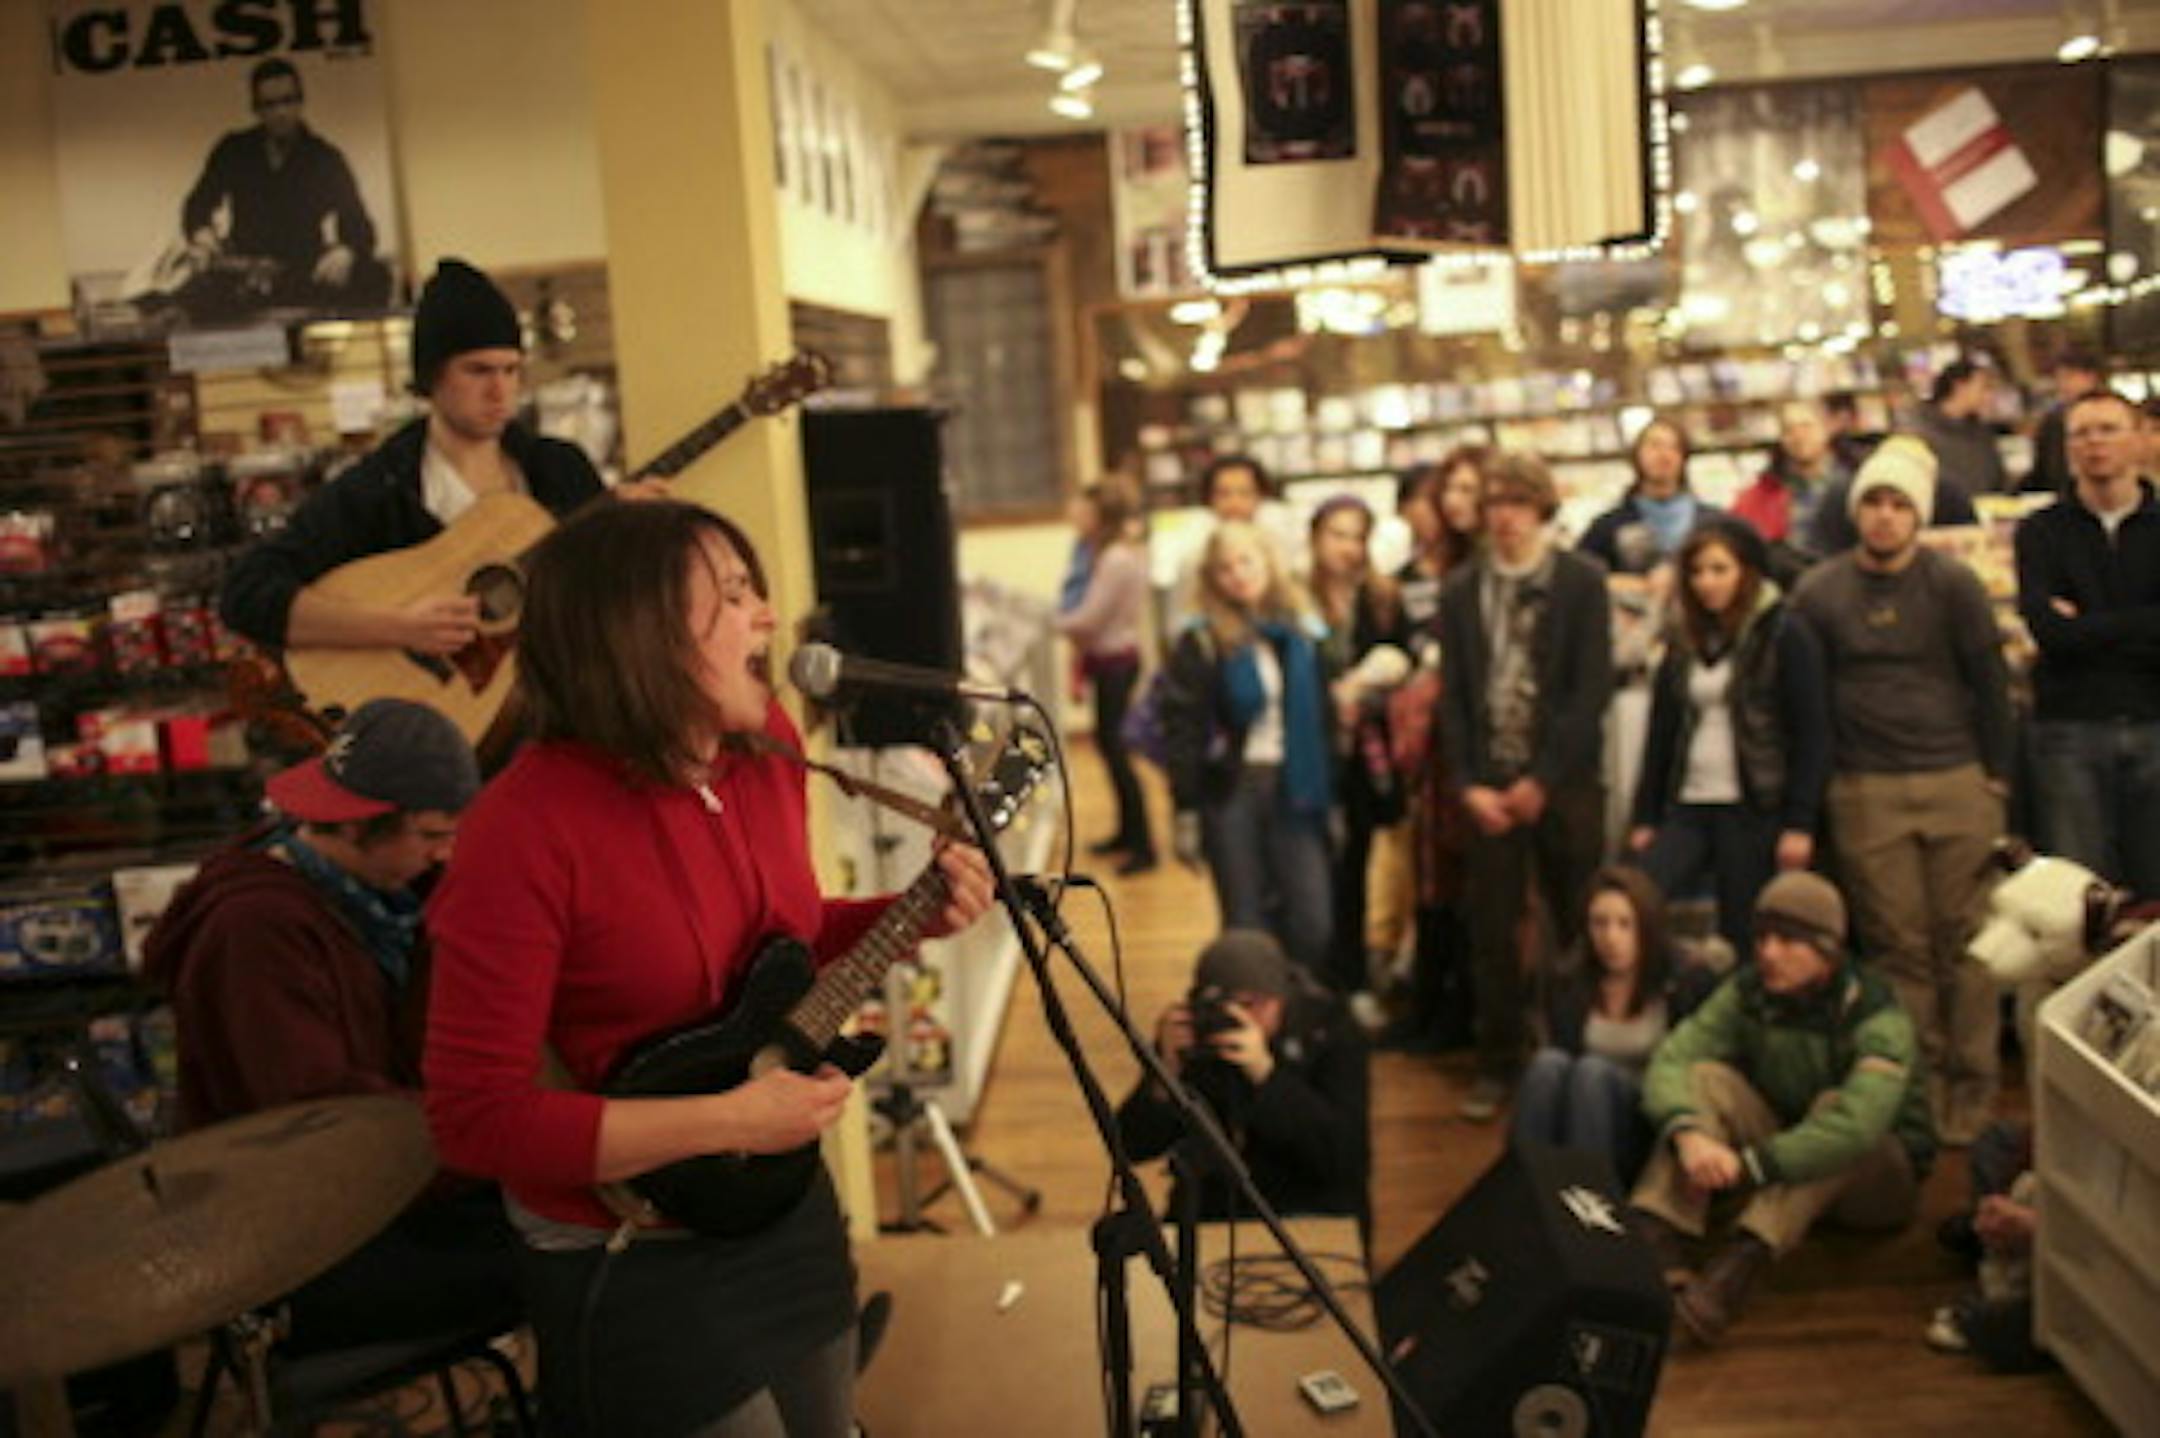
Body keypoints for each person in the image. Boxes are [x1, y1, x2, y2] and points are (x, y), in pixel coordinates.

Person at [421, 499, 995, 1437]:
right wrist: (731, 1117)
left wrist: (908, 916)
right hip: (626, 1239)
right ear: (634, 632)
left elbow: (780, 951)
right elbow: (473, 1120)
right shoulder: (521, 831)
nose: (768, 615)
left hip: (772, 1195)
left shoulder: (764, 749)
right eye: (732, 595)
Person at [141, 698, 520, 1356]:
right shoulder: (256, 932)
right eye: (431, 836)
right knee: (561, 1257)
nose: (446, 855)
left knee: (563, 1218)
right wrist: (489, 1130)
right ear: (357, 825)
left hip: (377, 1192)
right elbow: (319, 1122)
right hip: (294, 1248)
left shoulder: (381, 900)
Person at [220, 258, 661, 656]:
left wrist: (625, 537)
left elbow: (602, 602)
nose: (499, 392)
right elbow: (247, 594)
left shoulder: (557, 469)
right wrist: (396, 628)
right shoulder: (379, 490)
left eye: (511, 371)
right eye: (478, 371)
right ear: (432, 376)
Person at [1792, 436, 2014, 1146]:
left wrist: (1997, 774)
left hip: (1956, 779)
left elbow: (1989, 682)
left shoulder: (1953, 583)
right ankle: (1915, 1091)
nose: (1885, 517)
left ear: (1918, 515)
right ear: (1856, 512)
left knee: (1969, 947)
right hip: (1866, 788)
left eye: (1898, 505)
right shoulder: (1819, 591)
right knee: (1898, 950)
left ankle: (1973, 1095)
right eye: (1873, 504)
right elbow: (1804, 698)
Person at [1628, 872, 1936, 1348]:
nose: (1769, 952)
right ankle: (1660, 1238)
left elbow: (1857, 1127)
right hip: (1789, 1160)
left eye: (1789, 940)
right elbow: (1674, 1058)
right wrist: (1690, 1136)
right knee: (1706, 1078)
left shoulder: (1874, 1011)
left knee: (1836, 1112)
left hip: (1875, 1181)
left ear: (1828, 949)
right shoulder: (1750, 991)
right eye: (1763, 937)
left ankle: (1741, 1263)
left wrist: (1752, 1165)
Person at [1439, 452, 1614, 1120]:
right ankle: (1498, 1061)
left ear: (1542, 506)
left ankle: (1578, 1054)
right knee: (1491, 931)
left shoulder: (1581, 580)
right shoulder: (1462, 589)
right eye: (1494, 502)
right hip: (1489, 783)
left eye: (1517, 501)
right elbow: (1454, 697)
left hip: (1565, 785)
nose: (1505, 516)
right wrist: (1467, 784)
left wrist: (1543, 777)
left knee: (1578, 923)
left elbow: (1588, 689)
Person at [1627, 520, 1830, 965]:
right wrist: (1645, 815)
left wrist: (1800, 821)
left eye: (1719, 569)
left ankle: (1744, 1025)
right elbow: (1661, 735)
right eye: (1697, 572)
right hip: (1689, 801)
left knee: (1745, 931)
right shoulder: (1686, 639)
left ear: (1746, 571)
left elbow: (1812, 733)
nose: (1707, 583)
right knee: (1638, 896)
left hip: (1754, 804)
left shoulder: (1784, 632)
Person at [1160, 521, 1336, 978]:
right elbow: (1183, 730)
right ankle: (1257, 1024)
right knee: (1245, 922)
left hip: (1297, 785)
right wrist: (1185, 809)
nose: (1237, 575)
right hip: (1231, 789)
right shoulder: (1201, 640)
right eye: (1224, 568)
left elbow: (1325, 715)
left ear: (1268, 562)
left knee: (1312, 920)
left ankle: (1298, 1010)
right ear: (1211, 579)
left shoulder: (1301, 632)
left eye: (1245, 561)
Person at [2013, 389, 2160, 898]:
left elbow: (2072, 634)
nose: (2095, 443)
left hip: (2153, 721)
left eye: (2108, 429)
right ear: (2067, 447)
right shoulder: (2040, 531)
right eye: (2082, 432)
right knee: (2078, 899)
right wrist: (2138, 622)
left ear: (2140, 439)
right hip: (2069, 731)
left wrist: (2089, 624)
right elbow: (2049, 633)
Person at [1115, 929, 1370, 1222]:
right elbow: (1131, 1147)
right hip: (1216, 1211)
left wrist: (1266, 1075)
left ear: (1281, 999)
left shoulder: (1331, 1035)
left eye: (1251, 1004)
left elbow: (1344, 1160)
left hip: (1307, 1210)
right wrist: (1163, 1075)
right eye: (1226, 1004)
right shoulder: (1202, 1037)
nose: (1240, 1018)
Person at [1512, 867, 1710, 1186]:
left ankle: (1591, 1200)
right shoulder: (1570, 981)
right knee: (1547, 1065)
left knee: (1592, 1073)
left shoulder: (1684, 980)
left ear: (1647, 927)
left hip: (1645, 1123)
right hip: (1579, 1116)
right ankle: (1521, 1189)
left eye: (1624, 924)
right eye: (1599, 923)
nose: (1611, 938)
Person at [176, 58, 390, 316]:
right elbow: (197, 205)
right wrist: (203, 237)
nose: (281, 112)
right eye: (270, 104)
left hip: (302, 269)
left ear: (301, 103)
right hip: (246, 268)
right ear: (256, 109)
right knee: (192, 287)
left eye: (288, 101)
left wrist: (346, 252)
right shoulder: (234, 149)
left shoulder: (324, 157)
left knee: (375, 276)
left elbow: (358, 224)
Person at [1306, 494, 1403, 1002]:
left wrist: (1366, 683)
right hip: (1310, 753)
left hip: (1364, 757)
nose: (1346, 547)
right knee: (1309, 872)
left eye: (1356, 536)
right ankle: (1315, 978)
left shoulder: (1382, 596)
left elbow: (1403, 654)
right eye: (1336, 534)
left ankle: (1353, 977)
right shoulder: (1298, 597)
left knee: (1354, 869)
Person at [1057, 479, 1156, 874]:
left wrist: (1047, 619)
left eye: (1083, 509)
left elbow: (1088, 619)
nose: (1075, 515)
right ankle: (1127, 834)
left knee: (1117, 751)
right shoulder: (1101, 553)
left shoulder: (1115, 558)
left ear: (1100, 515)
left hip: (1116, 663)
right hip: (1109, 661)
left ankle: (1143, 845)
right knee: (1110, 747)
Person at [1577, 416, 1731, 578]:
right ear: (1637, 455)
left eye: (1673, 447)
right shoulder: (1608, 527)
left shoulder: (1714, 523)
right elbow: (1581, 580)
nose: (1664, 455)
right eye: (1655, 446)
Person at [1730, 400, 1852, 584]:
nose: (1798, 436)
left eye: (1806, 426)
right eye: (1789, 430)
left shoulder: (1855, 483)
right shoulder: (1765, 491)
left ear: (1826, 429)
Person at [1913, 357, 2009, 500]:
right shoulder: (1921, 432)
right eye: (1984, 388)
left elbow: (1998, 482)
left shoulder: (1982, 433)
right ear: (1959, 386)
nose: (1989, 397)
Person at [2021, 348, 2107, 496]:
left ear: (2091, 377)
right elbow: (2041, 474)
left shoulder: (2113, 415)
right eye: (2059, 378)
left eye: (2069, 377)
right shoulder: (2053, 422)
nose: (2063, 385)